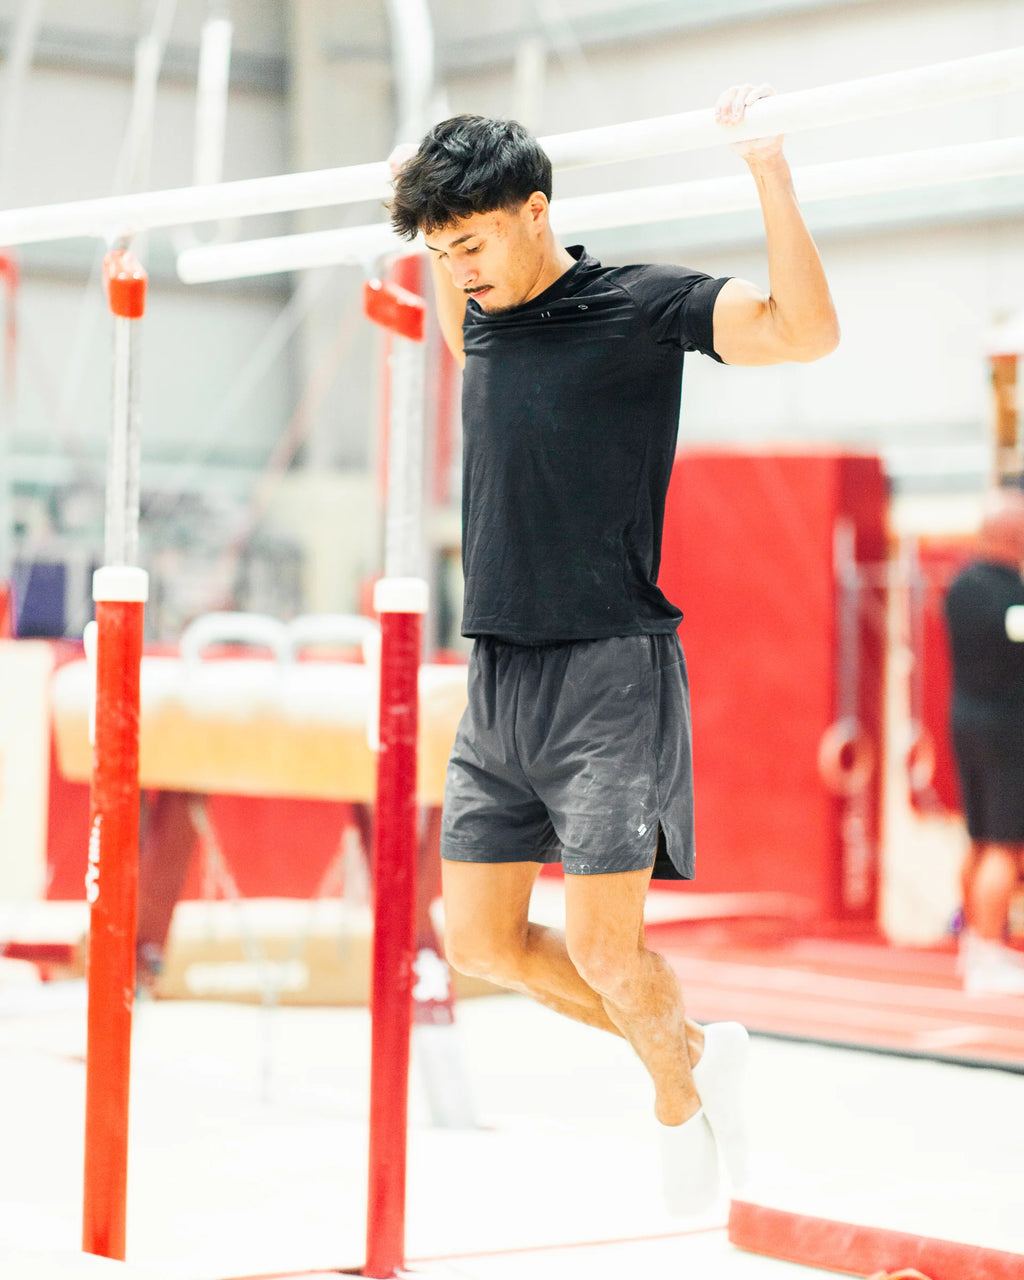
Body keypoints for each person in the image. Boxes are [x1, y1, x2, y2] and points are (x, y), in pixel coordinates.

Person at [388, 87, 839, 1214]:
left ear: (536, 211)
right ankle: (693, 1049)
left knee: (601, 947)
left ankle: (678, 1103)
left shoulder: (640, 306)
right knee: (480, 938)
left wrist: (767, 169)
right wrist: (424, 177)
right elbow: (450, 247)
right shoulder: (474, 310)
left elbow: (804, 331)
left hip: (606, 671)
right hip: (498, 674)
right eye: (440, 251)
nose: (458, 269)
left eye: (473, 242)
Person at [944, 487, 1024, 995]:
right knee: (1004, 845)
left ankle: (974, 944)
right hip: (1005, 731)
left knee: (979, 840)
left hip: (967, 722)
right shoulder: (1008, 596)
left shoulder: (960, 586)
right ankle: (988, 954)